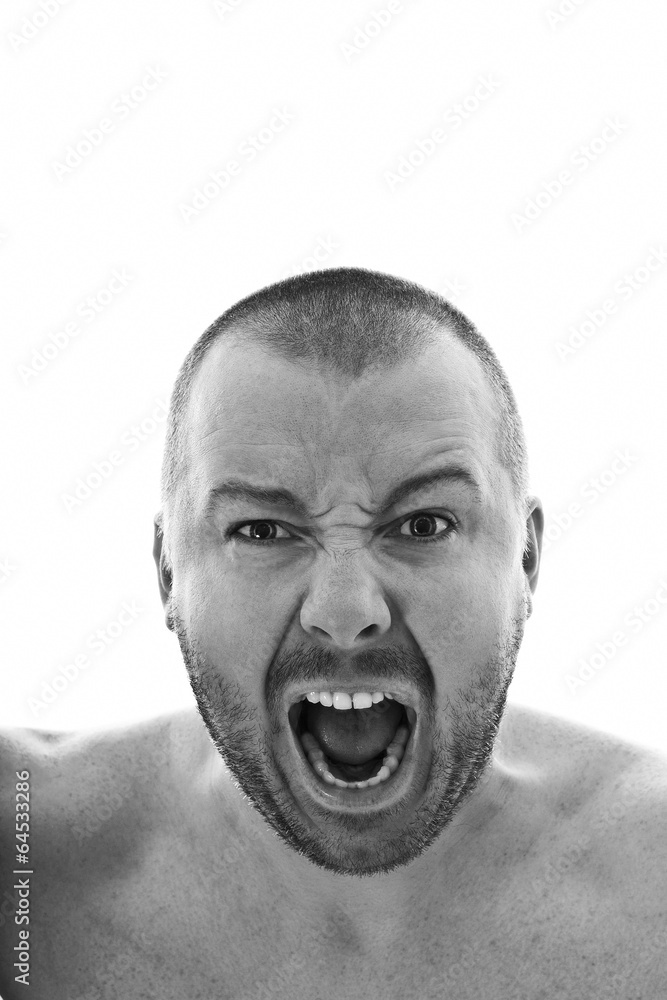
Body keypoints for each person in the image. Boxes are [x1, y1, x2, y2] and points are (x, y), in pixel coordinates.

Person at [1, 267, 665, 999]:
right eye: (262, 530)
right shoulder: (25, 854)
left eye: (423, 525)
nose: (346, 612)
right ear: (167, 572)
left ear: (526, 560)